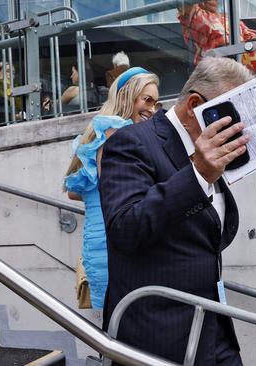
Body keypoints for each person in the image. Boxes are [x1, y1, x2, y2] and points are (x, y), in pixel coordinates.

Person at [99, 57, 252, 365]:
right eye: (231, 115)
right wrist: (197, 175)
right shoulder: (132, 142)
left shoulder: (202, 149)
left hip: (212, 331)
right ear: (195, 105)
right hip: (157, 339)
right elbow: (125, 229)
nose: (239, 126)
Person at [64, 67, 160, 311]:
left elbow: (76, 190)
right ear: (127, 95)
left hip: (102, 238)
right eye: (146, 99)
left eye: (156, 103)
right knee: (123, 323)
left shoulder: (101, 131)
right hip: (112, 243)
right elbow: (118, 189)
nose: (151, 108)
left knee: (116, 324)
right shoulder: (118, 130)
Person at [178, 0, 256, 84]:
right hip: (216, 59)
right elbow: (182, 5)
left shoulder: (227, 17)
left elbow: (247, 33)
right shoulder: (194, 15)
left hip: (239, 53)